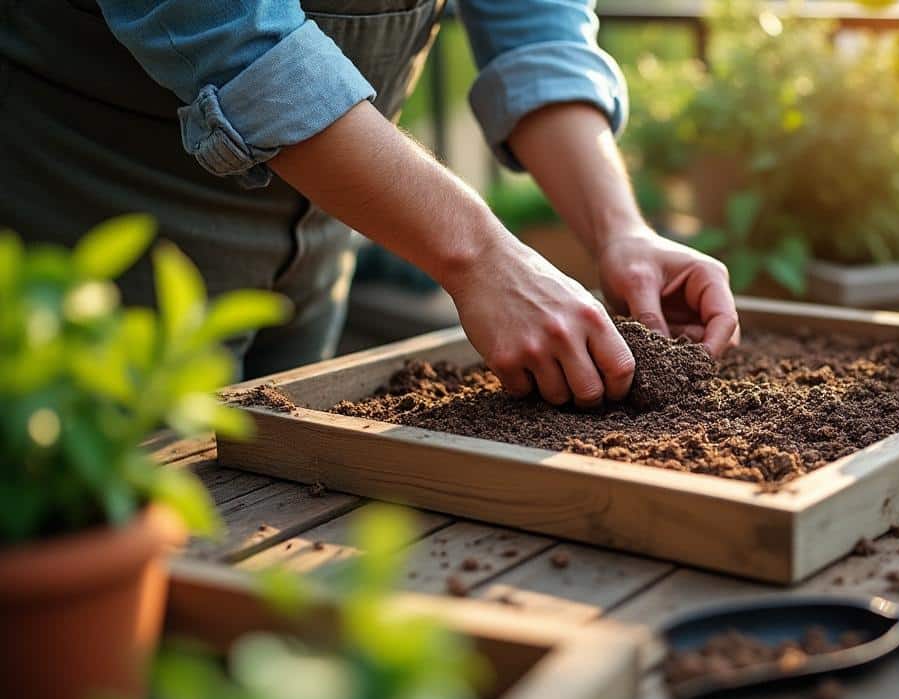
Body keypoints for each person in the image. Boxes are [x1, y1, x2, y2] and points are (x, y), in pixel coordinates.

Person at [0, 0, 739, 408]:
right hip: (95, 214)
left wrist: (620, 229)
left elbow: (533, 23)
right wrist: (482, 255)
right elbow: (231, 34)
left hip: (331, 218)